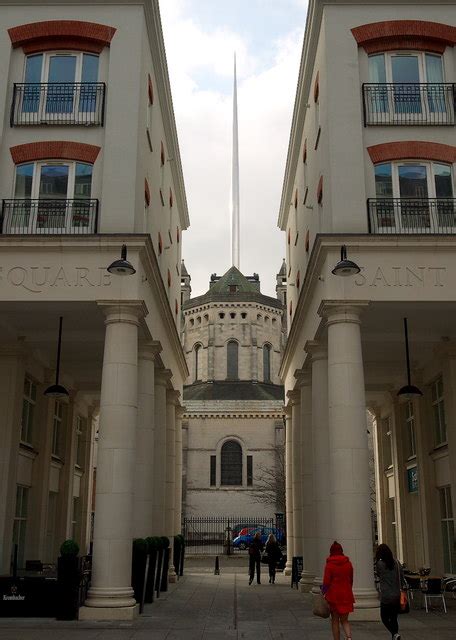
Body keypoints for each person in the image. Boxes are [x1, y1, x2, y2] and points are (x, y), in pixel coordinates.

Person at [322, 541, 355, 640]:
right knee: (345, 620)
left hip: (334, 597)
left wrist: (323, 592)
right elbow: (351, 579)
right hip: (346, 595)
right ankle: (349, 638)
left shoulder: (329, 565)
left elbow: (326, 582)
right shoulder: (348, 564)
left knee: (335, 620)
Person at [375, 543, 404, 640]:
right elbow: (402, 576)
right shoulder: (396, 563)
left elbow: (379, 575)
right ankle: (394, 636)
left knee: (384, 617)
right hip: (396, 594)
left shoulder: (380, 564)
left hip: (386, 595)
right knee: (394, 618)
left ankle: (394, 634)